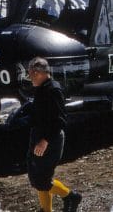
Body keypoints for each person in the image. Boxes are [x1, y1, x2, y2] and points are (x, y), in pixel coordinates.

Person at [26, 57, 81, 212]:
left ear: (39, 73)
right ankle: (46, 209)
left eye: (31, 74)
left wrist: (45, 141)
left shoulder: (53, 90)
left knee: (43, 179)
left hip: (50, 140)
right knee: (37, 176)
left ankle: (70, 196)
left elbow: (60, 120)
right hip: (40, 137)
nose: (30, 78)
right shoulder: (43, 88)